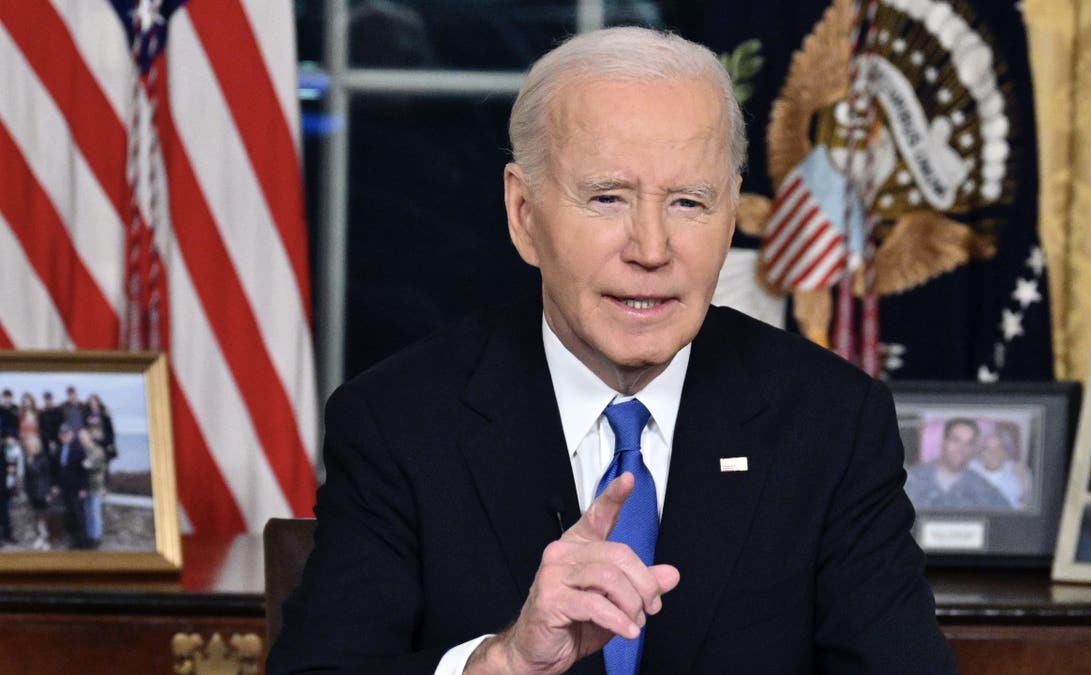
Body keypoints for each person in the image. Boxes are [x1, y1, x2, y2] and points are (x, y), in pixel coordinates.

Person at [269, 27, 954, 674]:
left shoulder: (832, 422)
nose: (651, 249)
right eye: (607, 198)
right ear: (524, 214)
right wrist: (503, 661)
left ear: (732, 213)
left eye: (688, 202)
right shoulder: (400, 422)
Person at [904, 419, 1010, 510]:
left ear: (974, 449)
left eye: (969, 443)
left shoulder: (983, 488)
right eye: (955, 440)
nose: (961, 449)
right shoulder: (911, 479)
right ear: (943, 442)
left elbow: (1008, 519)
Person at [968, 430, 1029, 509]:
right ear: (980, 454)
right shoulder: (970, 468)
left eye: (999, 448)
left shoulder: (1018, 472)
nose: (993, 453)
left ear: (1006, 453)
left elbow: (1025, 507)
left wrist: (1022, 486)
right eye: (987, 449)